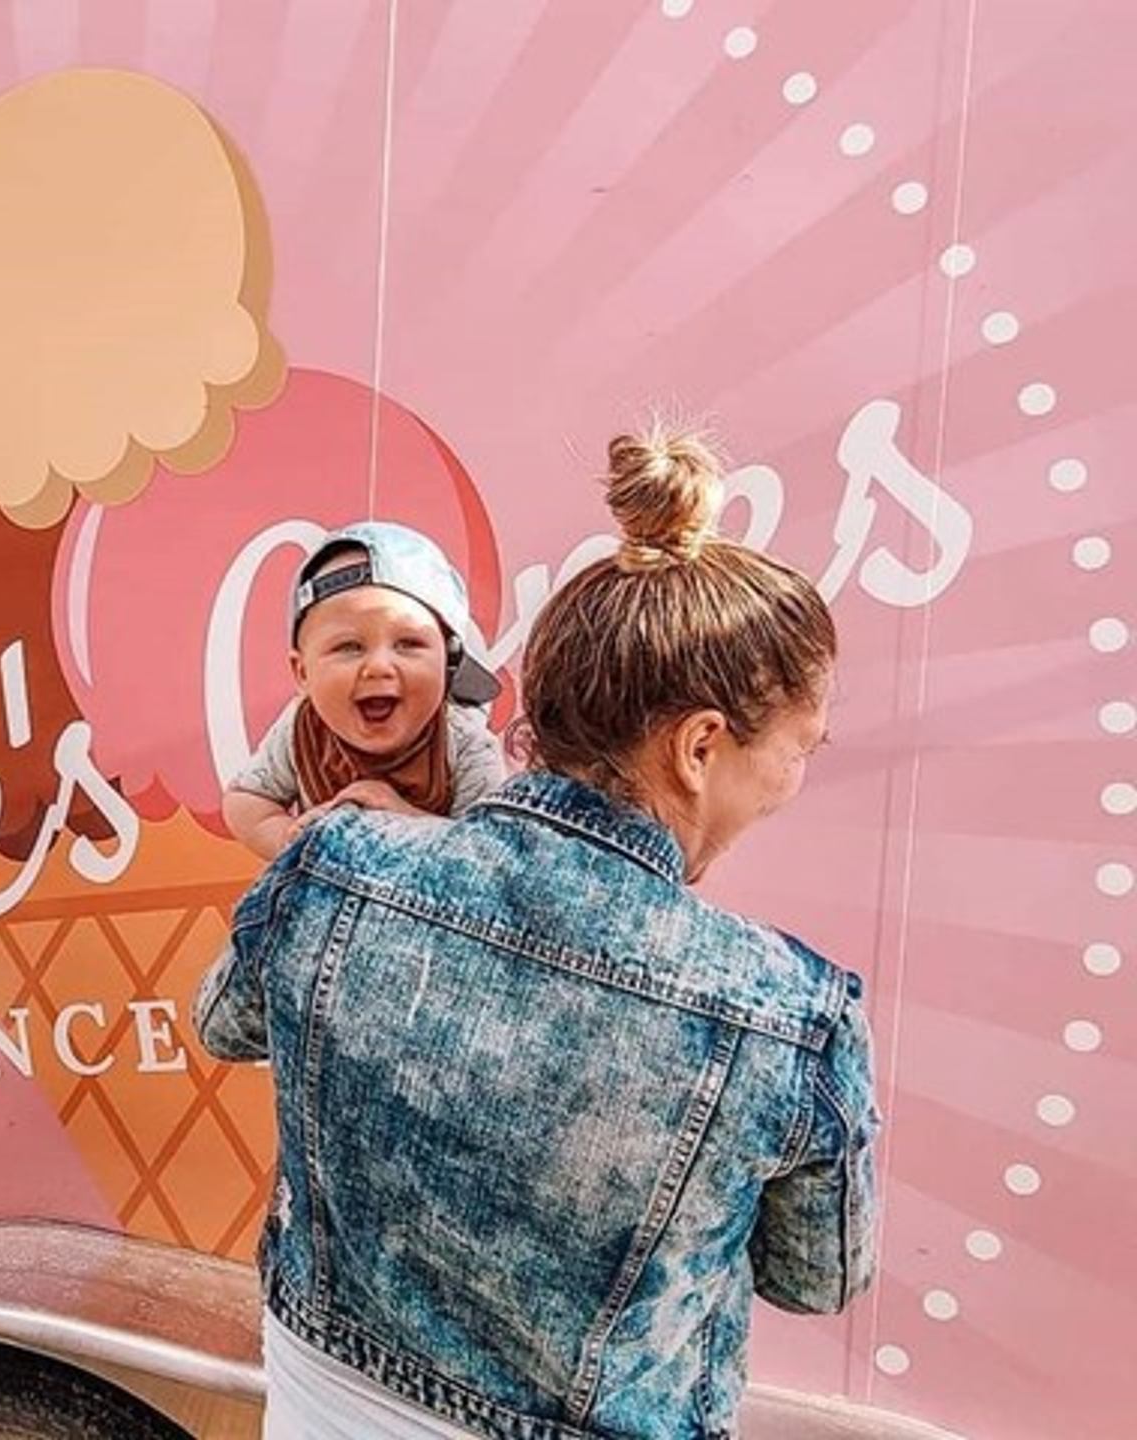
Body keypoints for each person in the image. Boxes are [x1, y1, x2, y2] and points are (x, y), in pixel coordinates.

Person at [195, 428, 880, 1440]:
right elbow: (816, 1277)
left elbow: (223, 1022)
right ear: (699, 746)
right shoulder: (788, 1016)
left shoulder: (332, 864)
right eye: (796, 750)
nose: (793, 779)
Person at [224, 521, 506, 862]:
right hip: (324, 908)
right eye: (349, 647)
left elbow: (489, 857)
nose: (379, 666)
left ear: (448, 661)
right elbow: (245, 800)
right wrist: (289, 839)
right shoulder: (302, 728)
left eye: (409, 643)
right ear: (302, 673)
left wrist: (406, 822)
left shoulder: (464, 744)